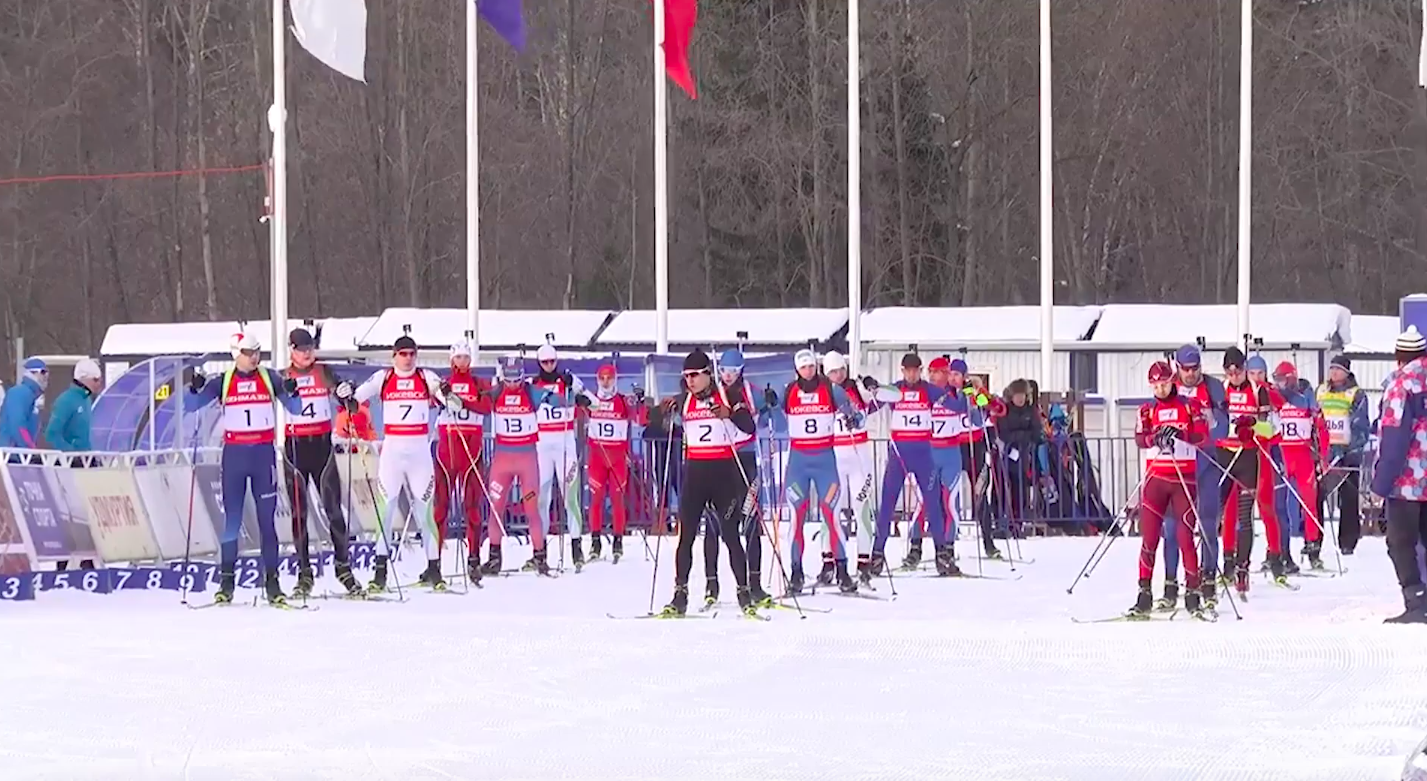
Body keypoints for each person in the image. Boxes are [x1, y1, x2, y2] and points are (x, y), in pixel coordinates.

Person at [185, 332, 304, 605]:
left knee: (267, 522)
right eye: (249, 352)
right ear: (235, 354)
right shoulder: (223, 381)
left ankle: (272, 584)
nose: (255, 357)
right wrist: (194, 387)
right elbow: (190, 407)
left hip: (262, 456)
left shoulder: (269, 377)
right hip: (235, 456)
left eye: (258, 351)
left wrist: (291, 391)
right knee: (232, 522)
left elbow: (295, 409)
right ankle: (226, 584)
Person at [347, 335, 464, 592]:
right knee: (386, 513)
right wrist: (343, 393)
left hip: (419, 452)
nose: (407, 358)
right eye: (403, 354)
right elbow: (353, 402)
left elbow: (455, 405)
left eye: (411, 353)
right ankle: (380, 574)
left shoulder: (426, 377)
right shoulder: (383, 378)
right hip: (392, 452)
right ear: (394, 355)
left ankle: (434, 570)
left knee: (425, 514)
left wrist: (446, 393)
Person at [658, 349, 757, 617]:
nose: (689, 381)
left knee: (730, 535)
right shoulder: (685, 399)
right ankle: (680, 595)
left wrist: (728, 413)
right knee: (686, 537)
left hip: (723, 474)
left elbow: (749, 427)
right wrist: (663, 415)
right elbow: (655, 422)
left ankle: (744, 593)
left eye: (694, 375)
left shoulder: (728, 395)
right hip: (695, 474)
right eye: (686, 376)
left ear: (707, 374)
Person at [771, 349, 864, 595]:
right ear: (797, 370)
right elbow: (765, 410)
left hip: (825, 460)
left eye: (812, 367)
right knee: (796, 519)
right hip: (798, 463)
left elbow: (856, 414)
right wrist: (768, 402)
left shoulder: (831, 389)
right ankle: (796, 573)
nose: (808, 372)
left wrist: (854, 419)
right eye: (804, 368)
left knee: (832, 517)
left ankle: (843, 572)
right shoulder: (789, 391)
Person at [864, 353, 963, 577]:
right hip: (899, 456)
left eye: (915, 370)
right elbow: (868, 407)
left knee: (933, 505)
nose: (911, 374)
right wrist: (870, 387)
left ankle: (941, 556)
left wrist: (961, 390)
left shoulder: (928, 390)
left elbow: (957, 407)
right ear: (902, 370)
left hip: (923, 455)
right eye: (907, 370)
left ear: (920, 371)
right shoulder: (895, 390)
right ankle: (877, 556)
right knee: (887, 506)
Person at [281, 328, 363, 598]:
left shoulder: (324, 371)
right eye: (302, 349)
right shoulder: (282, 376)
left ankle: (343, 568)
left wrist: (345, 392)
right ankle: (304, 574)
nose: (307, 354)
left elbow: (349, 404)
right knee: (299, 515)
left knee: (334, 511)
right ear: (291, 350)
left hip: (321, 447)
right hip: (295, 449)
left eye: (310, 348)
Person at [1129, 361, 1208, 618]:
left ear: (1172, 381)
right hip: (1155, 479)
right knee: (1149, 538)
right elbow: (1141, 439)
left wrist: (1180, 435)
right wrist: (1155, 438)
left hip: (1183, 479)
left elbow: (1202, 435)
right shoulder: (1147, 409)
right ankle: (1144, 594)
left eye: (1164, 384)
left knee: (1185, 537)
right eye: (1155, 385)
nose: (1160, 390)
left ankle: (1193, 593)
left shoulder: (1188, 405)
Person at [481, 356, 568, 576]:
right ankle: (493, 559)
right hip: (502, 461)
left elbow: (559, 401)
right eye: (508, 379)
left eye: (516, 379)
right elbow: (477, 402)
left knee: (532, 510)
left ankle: (540, 557)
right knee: (495, 508)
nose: (512, 384)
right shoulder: (496, 391)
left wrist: (568, 393)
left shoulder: (531, 392)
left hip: (527, 460)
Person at [706, 349, 773, 606]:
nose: (728, 376)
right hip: (720, 461)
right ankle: (712, 586)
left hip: (745, 459)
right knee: (714, 524)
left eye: (732, 372)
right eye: (723, 371)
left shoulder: (751, 391)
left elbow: (767, 420)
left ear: (741, 370)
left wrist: (769, 405)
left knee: (751, 523)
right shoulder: (713, 391)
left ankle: (754, 585)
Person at [1161, 345, 1228, 599]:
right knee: (1172, 527)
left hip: (1205, 464)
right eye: (1185, 369)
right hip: (1176, 468)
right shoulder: (1169, 386)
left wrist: (1202, 431)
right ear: (1177, 367)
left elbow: (1222, 426)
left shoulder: (1213, 388)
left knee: (1208, 523)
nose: (1190, 374)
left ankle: (1208, 577)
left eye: (1195, 368)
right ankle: (1171, 582)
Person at [904, 356, 983, 574]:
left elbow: (978, 418)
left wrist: (975, 398)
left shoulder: (957, 393)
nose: (932, 376)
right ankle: (915, 548)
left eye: (937, 372)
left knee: (950, 504)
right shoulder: (925, 391)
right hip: (928, 452)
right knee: (922, 503)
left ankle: (947, 550)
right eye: (930, 372)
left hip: (950, 453)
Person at [1216, 347, 1284, 596]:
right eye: (1229, 371)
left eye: (1238, 370)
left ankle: (1242, 569)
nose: (1234, 375)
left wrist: (1254, 426)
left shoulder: (1258, 391)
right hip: (1224, 456)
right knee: (1222, 515)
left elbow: (1272, 429)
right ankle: (1225, 562)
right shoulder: (1219, 389)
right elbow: (1213, 424)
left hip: (1248, 456)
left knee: (1245, 516)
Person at [1371, 326, 1427, 623]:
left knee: (1401, 542)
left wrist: (1380, 484)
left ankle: (1417, 602)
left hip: (1407, 483)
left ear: (1399, 358)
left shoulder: (1401, 385)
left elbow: (1394, 438)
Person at [434, 339, 493, 582]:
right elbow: (432, 400)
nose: (462, 362)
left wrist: (462, 402)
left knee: (472, 507)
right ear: (451, 359)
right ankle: (434, 561)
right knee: (441, 508)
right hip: (448, 447)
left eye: (465, 357)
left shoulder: (479, 382)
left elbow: (486, 407)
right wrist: (444, 395)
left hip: (472, 447)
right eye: (458, 357)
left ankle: (474, 557)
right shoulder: (443, 382)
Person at [531, 344, 593, 568]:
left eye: (552, 362)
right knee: (542, 500)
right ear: (539, 363)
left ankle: (576, 548)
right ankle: (540, 551)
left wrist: (578, 394)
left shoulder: (568, 380)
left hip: (565, 441)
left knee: (571, 498)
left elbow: (593, 401)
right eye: (545, 363)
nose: (549, 366)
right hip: (542, 446)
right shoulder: (532, 384)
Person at [821, 351, 878, 584]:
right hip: (834, 457)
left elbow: (872, 403)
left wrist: (870, 386)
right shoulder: (822, 392)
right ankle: (829, 562)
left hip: (859, 456)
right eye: (833, 372)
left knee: (861, 508)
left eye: (841, 370)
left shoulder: (856, 387)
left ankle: (864, 563)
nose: (838, 375)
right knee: (830, 510)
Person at [584, 363, 647, 564]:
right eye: (602, 378)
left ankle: (618, 541)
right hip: (596, 458)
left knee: (618, 500)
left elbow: (641, 420)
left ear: (615, 379)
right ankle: (595, 541)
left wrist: (641, 402)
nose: (605, 382)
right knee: (596, 501)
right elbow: (573, 412)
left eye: (609, 378)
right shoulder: (591, 400)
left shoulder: (623, 401)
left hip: (618, 459)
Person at [1270, 361, 1328, 571]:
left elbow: (1321, 427)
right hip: (1282, 454)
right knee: (1278, 505)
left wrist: (1323, 456)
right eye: (1276, 380)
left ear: (1292, 379)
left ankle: (1313, 547)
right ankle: (1278, 551)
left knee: (1309, 503)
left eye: (1282, 380)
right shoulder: (1273, 397)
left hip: (1303, 454)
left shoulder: (1306, 397)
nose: (1279, 384)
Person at [946, 359, 1000, 557]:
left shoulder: (974, 391)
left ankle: (988, 541)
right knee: (950, 494)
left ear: (964, 376)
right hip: (953, 444)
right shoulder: (947, 393)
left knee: (979, 494)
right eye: (950, 374)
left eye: (956, 375)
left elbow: (988, 410)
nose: (953, 379)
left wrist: (976, 397)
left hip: (973, 445)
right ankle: (948, 544)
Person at [1317, 355, 1369, 555]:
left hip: (1348, 454)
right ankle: (1314, 539)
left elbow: (1360, 425)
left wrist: (1350, 449)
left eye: (1338, 369)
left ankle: (1348, 542)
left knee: (1348, 499)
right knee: (1316, 496)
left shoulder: (1356, 394)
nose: (1334, 373)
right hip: (1325, 453)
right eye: (1332, 369)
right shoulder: (1321, 390)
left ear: (1347, 372)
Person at [993, 379, 1044, 532]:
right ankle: (999, 519)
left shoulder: (1031, 411)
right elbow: (1003, 432)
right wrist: (1021, 436)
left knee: (1019, 489)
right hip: (1004, 454)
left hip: (1022, 456)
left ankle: (1017, 522)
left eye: (1023, 394)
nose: (1020, 398)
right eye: (1017, 395)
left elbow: (1037, 432)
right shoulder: (1005, 410)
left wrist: (1022, 437)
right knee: (1000, 487)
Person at [46, 359, 101, 453]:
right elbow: (52, 433)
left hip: (86, 458)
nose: (98, 384)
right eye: (95, 380)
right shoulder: (66, 400)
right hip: (71, 461)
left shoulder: (86, 400)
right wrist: (69, 452)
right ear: (84, 379)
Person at [0, 358, 46, 449]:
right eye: (43, 372)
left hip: (18, 452)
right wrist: (28, 445)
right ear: (32, 373)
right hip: (12, 452)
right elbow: (18, 423)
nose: (46, 377)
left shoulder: (32, 395)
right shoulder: (19, 393)